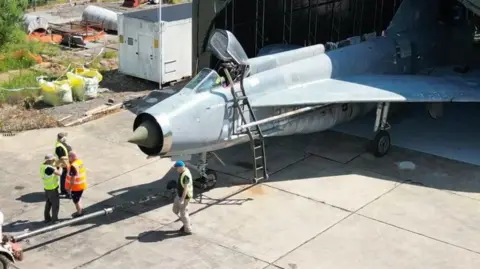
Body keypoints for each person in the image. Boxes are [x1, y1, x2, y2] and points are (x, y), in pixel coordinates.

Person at [172, 160, 193, 234]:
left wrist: (182, 199)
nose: (176, 170)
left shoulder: (185, 176)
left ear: (180, 167)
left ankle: (188, 229)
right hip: (179, 195)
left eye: (177, 168)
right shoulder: (183, 171)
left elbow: (186, 188)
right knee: (175, 210)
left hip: (185, 197)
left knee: (183, 213)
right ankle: (186, 223)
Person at [41, 154, 63, 224]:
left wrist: (55, 165)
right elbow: (59, 173)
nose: (54, 161)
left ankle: (47, 218)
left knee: (48, 203)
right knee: (55, 205)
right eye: (53, 160)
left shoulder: (42, 166)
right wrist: (61, 167)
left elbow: (52, 167)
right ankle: (55, 220)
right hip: (52, 189)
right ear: (49, 160)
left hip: (47, 188)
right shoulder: (49, 168)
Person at [65, 151, 87, 218]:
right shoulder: (79, 162)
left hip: (76, 187)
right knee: (78, 198)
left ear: (72, 157)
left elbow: (72, 179)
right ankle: (81, 209)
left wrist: (69, 188)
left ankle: (79, 213)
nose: (68, 158)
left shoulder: (73, 166)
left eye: (69, 156)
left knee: (76, 200)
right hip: (82, 185)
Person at [55, 132, 72, 198]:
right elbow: (62, 158)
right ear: (62, 138)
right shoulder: (59, 147)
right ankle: (64, 191)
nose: (66, 137)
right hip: (63, 165)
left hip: (66, 163)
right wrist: (67, 166)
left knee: (65, 178)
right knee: (64, 178)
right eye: (65, 136)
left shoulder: (62, 144)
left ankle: (65, 190)